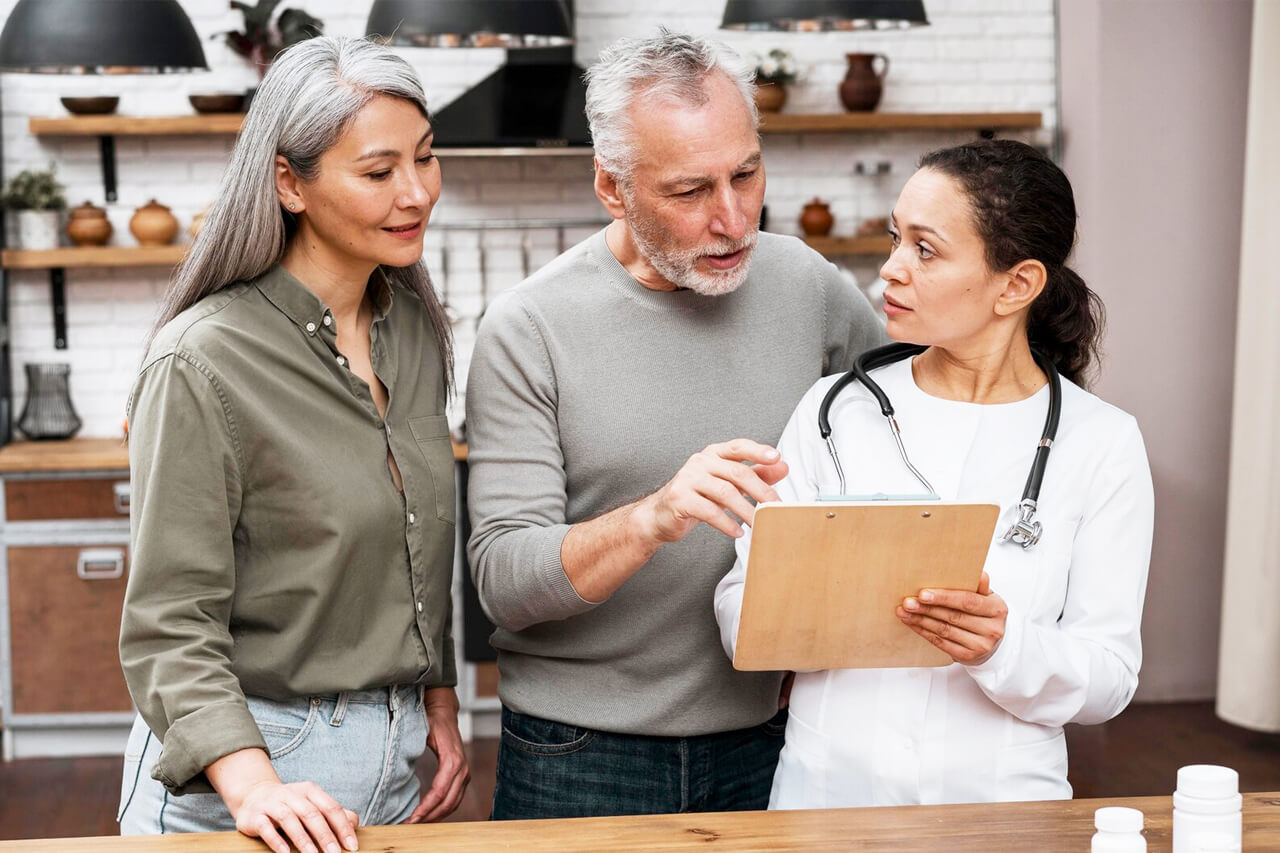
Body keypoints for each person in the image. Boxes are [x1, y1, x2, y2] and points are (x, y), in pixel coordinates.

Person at [464, 29, 885, 820]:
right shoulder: (529, 326)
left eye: (747, 174)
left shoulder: (809, 286)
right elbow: (505, 582)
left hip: (775, 734)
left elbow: (914, 431)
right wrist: (654, 516)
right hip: (578, 756)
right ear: (613, 187)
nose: (732, 218)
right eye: (690, 192)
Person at [715, 139, 1155, 808]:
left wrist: (1002, 646)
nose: (890, 269)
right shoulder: (837, 412)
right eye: (896, 238)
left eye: (925, 249)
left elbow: (1110, 677)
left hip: (1002, 807)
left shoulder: (1102, 443)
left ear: (1018, 284)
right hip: (828, 797)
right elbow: (738, 597)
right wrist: (792, 611)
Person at [117, 36, 468, 852]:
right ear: (289, 182)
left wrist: (438, 701)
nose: (416, 192)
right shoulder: (202, 359)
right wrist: (255, 786)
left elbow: (418, 536)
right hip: (244, 772)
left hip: (394, 761)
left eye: (426, 157)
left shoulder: (412, 330)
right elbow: (171, 620)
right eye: (379, 172)